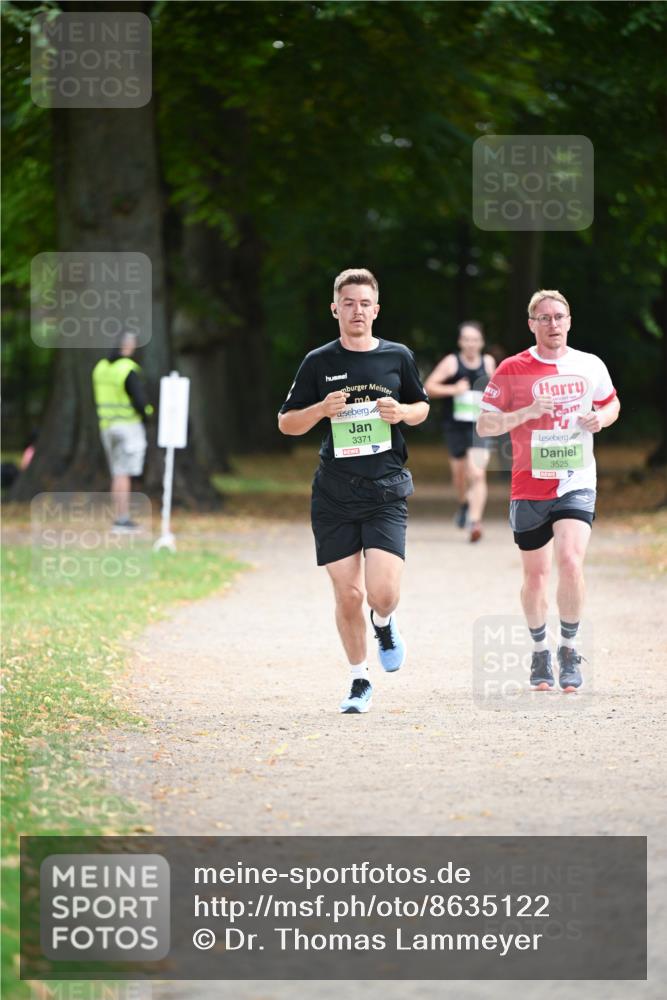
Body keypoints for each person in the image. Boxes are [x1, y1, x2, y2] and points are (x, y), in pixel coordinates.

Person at [278, 268, 429, 714]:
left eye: (365, 303)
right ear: (335, 309)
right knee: (349, 594)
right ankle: (359, 679)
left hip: (385, 491)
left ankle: (384, 622)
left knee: (382, 594)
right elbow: (286, 423)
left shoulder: (397, 356)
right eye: (349, 303)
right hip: (335, 493)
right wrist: (320, 409)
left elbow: (422, 407)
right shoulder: (318, 362)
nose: (357, 310)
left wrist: (402, 412)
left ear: (376, 310)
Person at [477, 289, 620, 693]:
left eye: (559, 316)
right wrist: (526, 413)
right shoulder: (511, 368)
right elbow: (485, 424)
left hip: (577, 479)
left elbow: (611, 404)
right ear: (532, 324)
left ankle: (569, 649)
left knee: (571, 561)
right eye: (544, 318)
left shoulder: (590, 364)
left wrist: (601, 419)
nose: (553, 324)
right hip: (529, 484)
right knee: (536, 576)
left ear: (569, 321)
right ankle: (540, 649)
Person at [424, 321, 496, 542]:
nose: (471, 344)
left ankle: (475, 522)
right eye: (466, 339)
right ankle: (464, 503)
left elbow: (497, 390)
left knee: (477, 473)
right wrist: (453, 389)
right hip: (455, 426)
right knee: (460, 476)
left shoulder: (488, 362)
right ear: (460, 342)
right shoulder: (451, 362)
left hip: (480, 427)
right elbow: (428, 387)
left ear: (481, 342)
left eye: (475, 339)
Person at [92, 333, 153, 531]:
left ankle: (120, 516)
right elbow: (139, 400)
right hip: (127, 426)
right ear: (128, 346)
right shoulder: (127, 368)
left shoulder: (100, 368)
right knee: (124, 473)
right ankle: (123, 519)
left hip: (107, 426)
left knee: (117, 473)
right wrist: (148, 414)